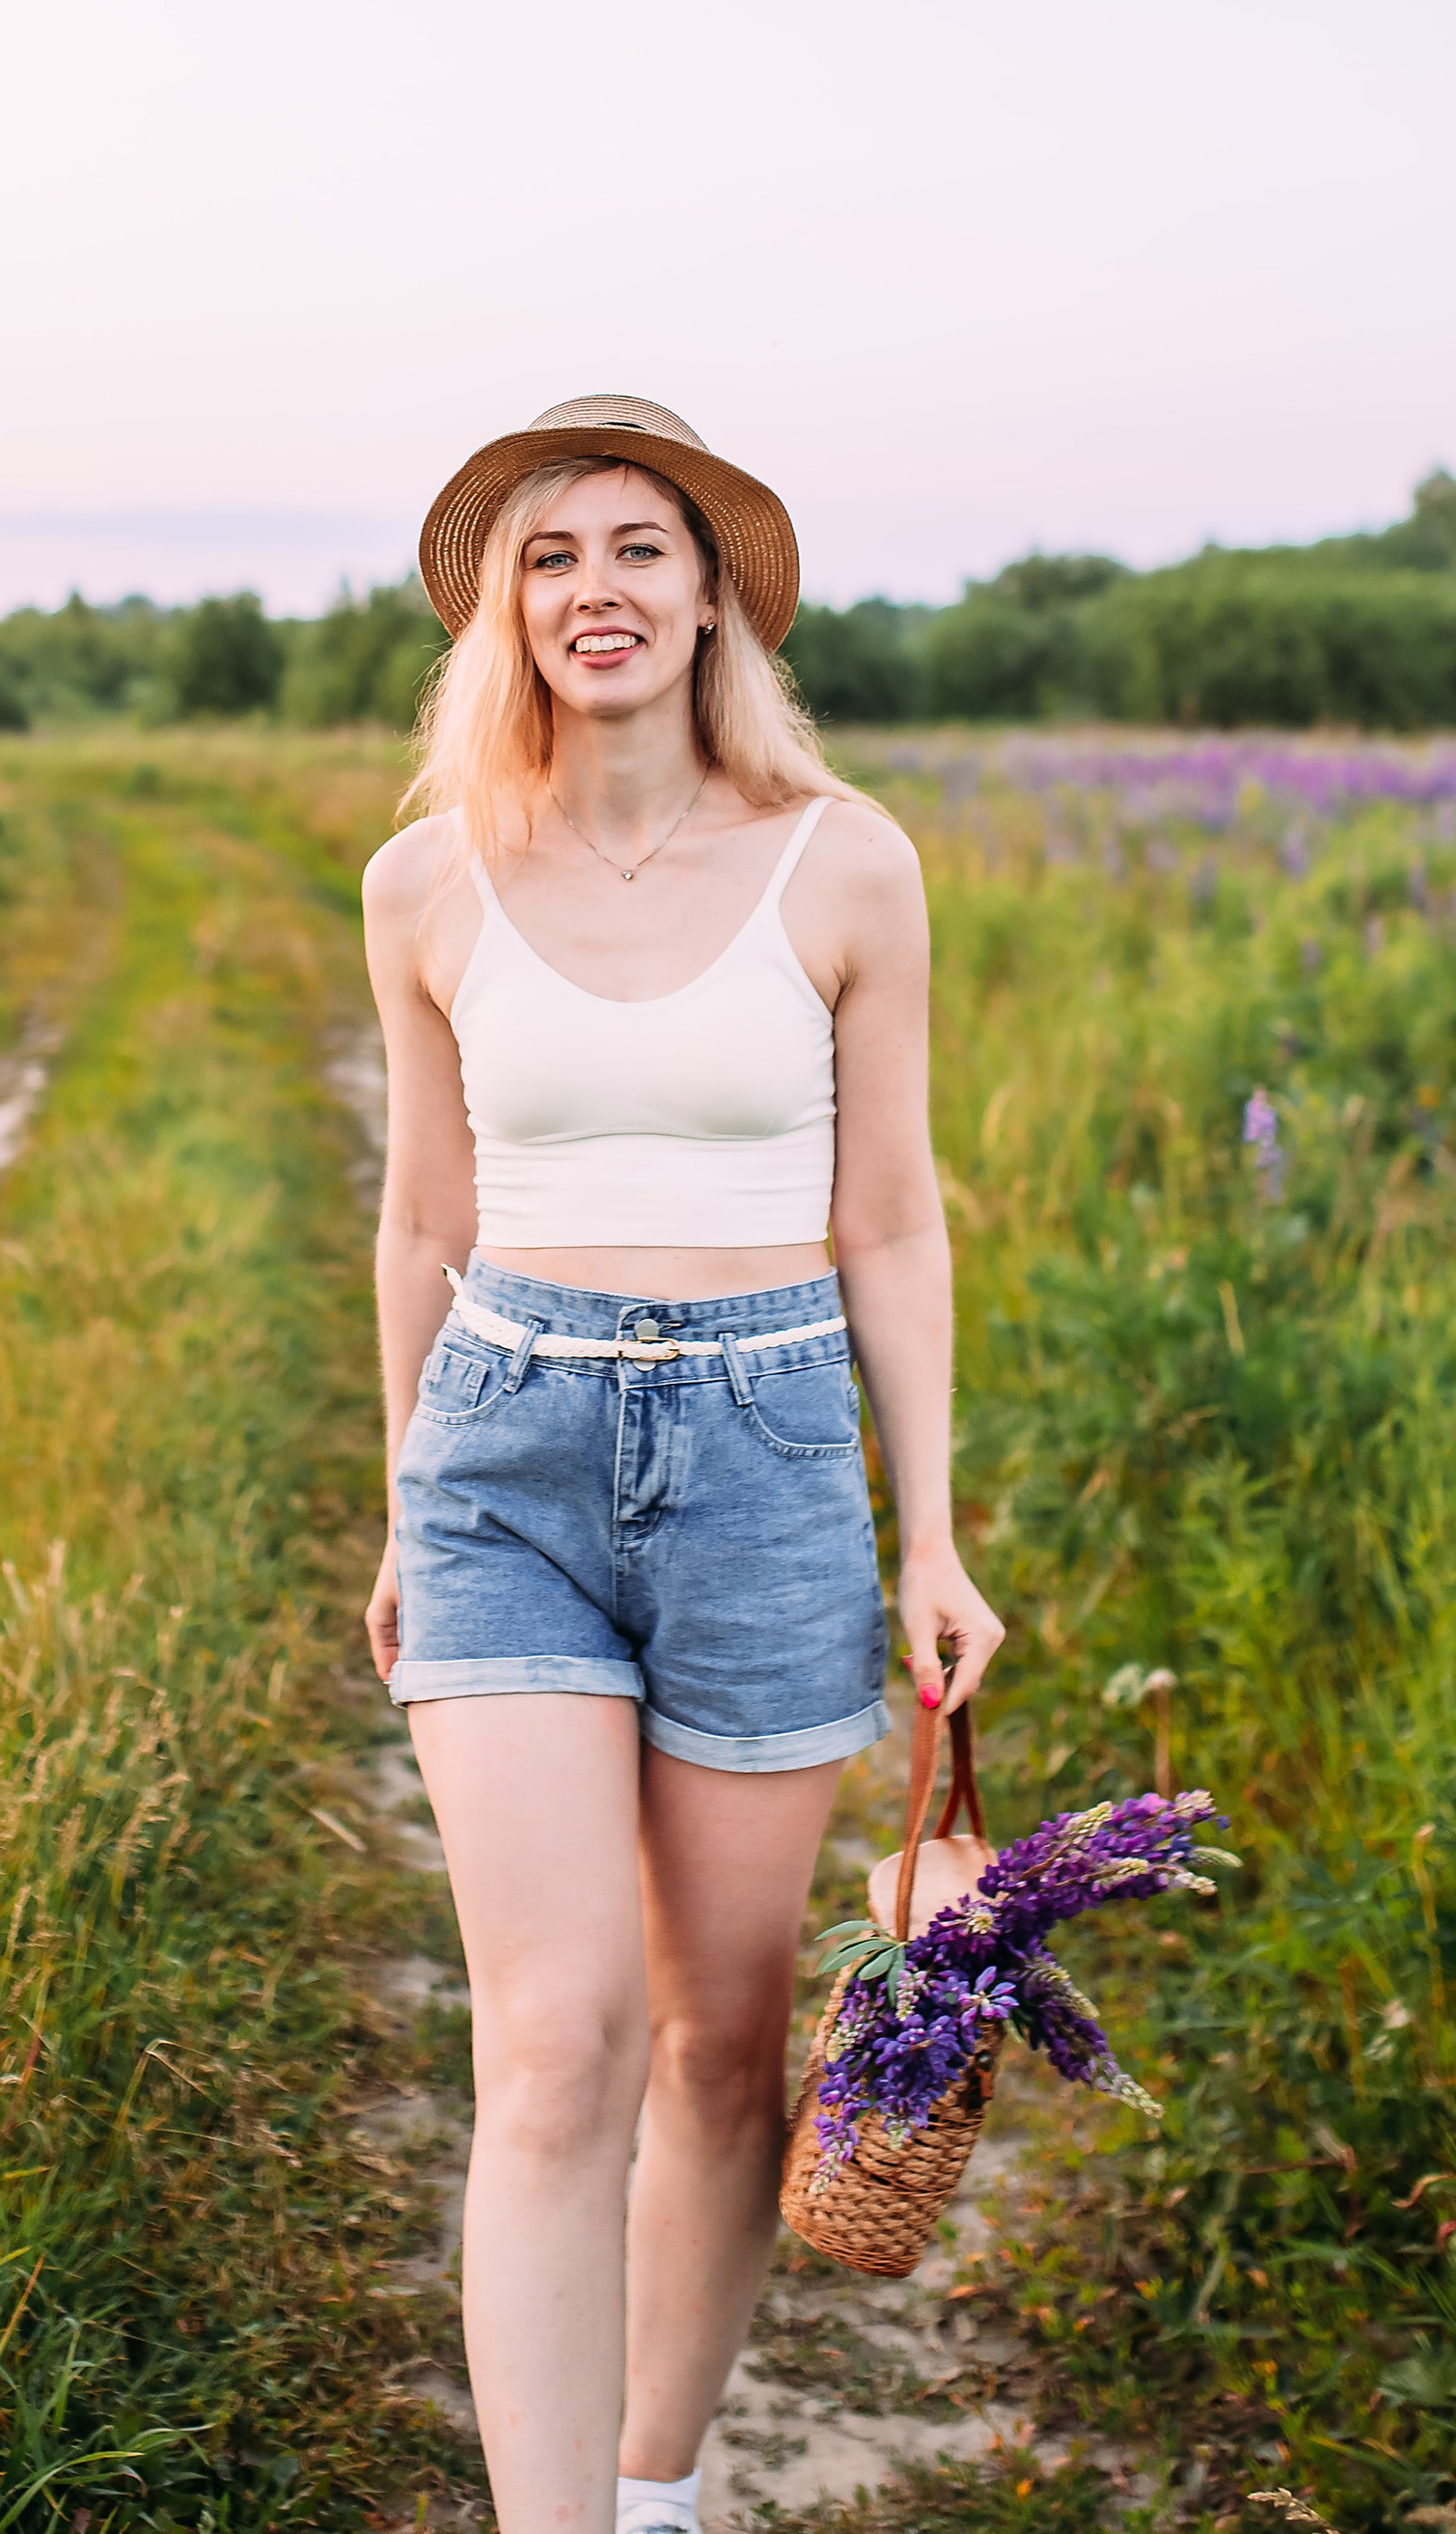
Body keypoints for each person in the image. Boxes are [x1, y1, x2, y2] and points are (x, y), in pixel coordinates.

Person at [362, 395, 1003, 2534]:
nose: (595, 593)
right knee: (555, 2041)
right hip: (503, 1461)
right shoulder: (428, 879)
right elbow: (421, 1222)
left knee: (726, 2045)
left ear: (711, 590)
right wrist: (396, 1500)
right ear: (499, 609)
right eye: (548, 558)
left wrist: (930, 1534)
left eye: (636, 548)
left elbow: (891, 1217)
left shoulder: (841, 859)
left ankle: (651, 2492)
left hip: (760, 1455)